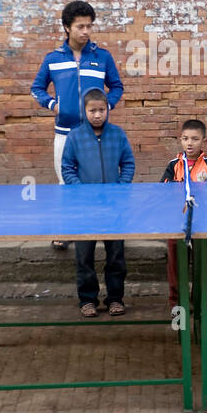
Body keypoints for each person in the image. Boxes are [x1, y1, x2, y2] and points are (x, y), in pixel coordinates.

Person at [31, 0, 124, 249]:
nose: (86, 31)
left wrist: (108, 106)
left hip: (97, 134)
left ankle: (105, 227)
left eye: (89, 26)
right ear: (67, 28)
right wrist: (52, 105)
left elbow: (117, 87)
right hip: (65, 132)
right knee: (66, 182)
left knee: (101, 180)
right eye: (81, 26)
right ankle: (68, 229)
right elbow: (36, 88)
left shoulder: (102, 57)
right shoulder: (53, 59)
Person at [61, 87, 135, 316]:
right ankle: (87, 300)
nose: (97, 115)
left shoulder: (118, 134)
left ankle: (115, 299)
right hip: (84, 208)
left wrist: (120, 188)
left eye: (101, 110)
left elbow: (129, 164)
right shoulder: (74, 136)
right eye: (92, 110)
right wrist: (81, 191)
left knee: (115, 256)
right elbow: (67, 168)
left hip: (114, 208)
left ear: (108, 110)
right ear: (84, 111)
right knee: (84, 257)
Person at [160, 119, 207, 311]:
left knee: (203, 265)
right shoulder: (174, 164)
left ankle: (202, 303)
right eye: (185, 138)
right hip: (176, 223)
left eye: (195, 139)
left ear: (204, 140)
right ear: (180, 140)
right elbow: (163, 191)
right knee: (176, 266)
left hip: (203, 223)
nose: (190, 143)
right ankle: (177, 304)